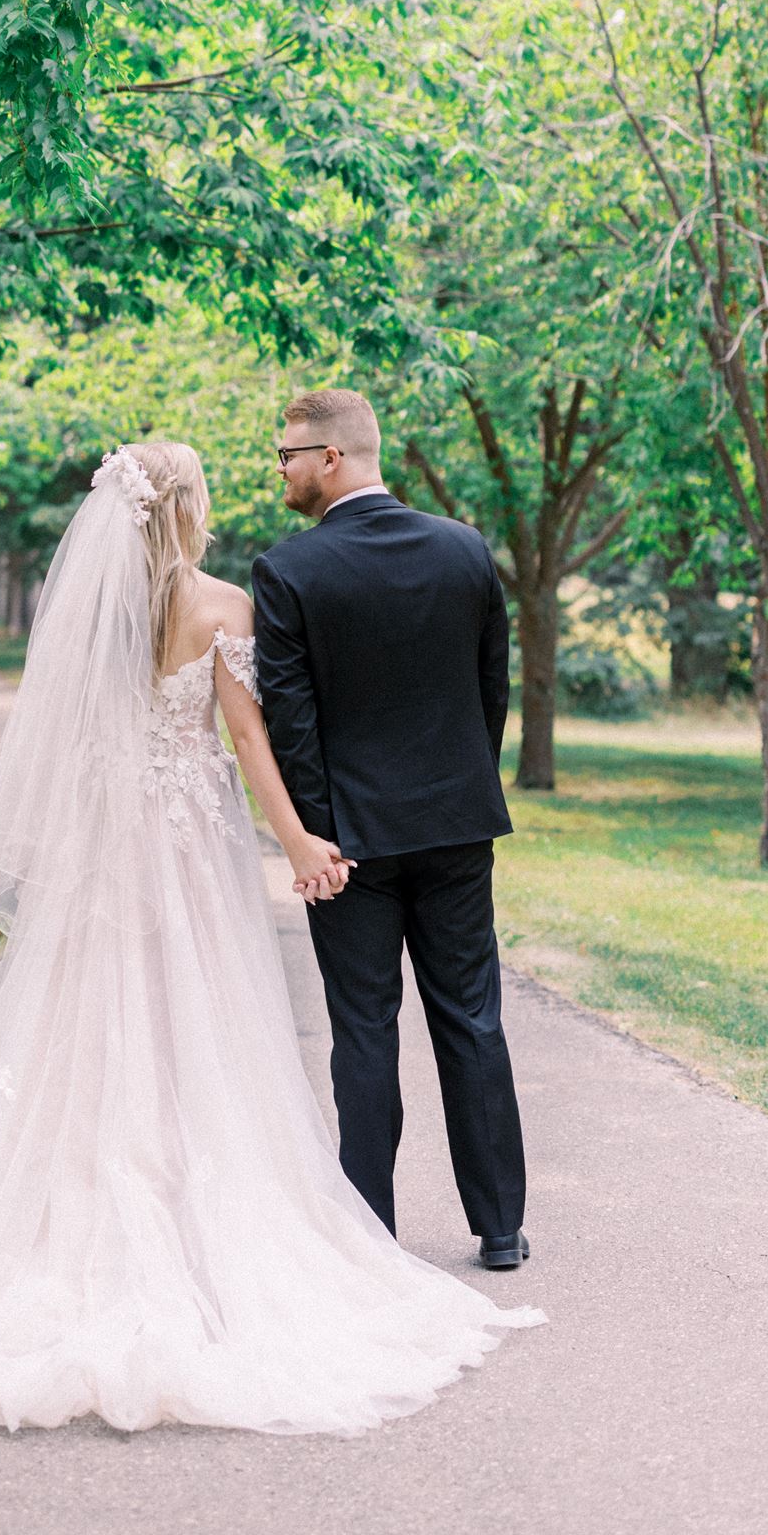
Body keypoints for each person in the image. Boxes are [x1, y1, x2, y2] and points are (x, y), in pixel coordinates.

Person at [0, 440, 541, 1436]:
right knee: (196, 1014)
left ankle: (70, 1213)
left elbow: (61, 749)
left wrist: (21, 871)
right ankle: (258, 1216)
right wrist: (298, 838)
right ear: (184, 507)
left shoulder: (89, 620)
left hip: (106, 844)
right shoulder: (225, 605)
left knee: (97, 1014)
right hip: (186, 843)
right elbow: (244, 736)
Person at [252, 390, 529, 1270]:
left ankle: (369, 1234)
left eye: (288, 454)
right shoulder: (463, 549)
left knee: (364, 1031)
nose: (282, 470)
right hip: (455, 828)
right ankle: (500, 1228)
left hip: (349, 845)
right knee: (472, 1021)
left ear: (330, 458)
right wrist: (457, 793)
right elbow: (491, 694)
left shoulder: (288, 571)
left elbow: (292, 726)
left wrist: (315, 839)